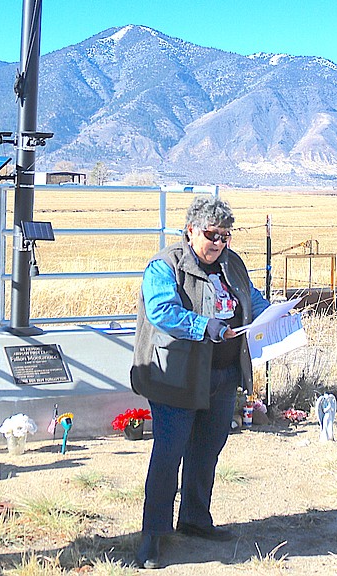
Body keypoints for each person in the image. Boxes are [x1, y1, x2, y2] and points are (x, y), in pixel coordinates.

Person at [130, 196, 270, 568]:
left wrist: (275, 315)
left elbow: (251, 299)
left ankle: (194, 519)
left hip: (222, 375)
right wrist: (204, 326)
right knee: (168, 454)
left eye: (226, 236)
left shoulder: (232, 264)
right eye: (212, 234)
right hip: (176, 376)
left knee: (207, 450)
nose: (219, 243)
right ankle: (153, 535)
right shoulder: (164, 265)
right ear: (191, 229)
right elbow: (162, 310)